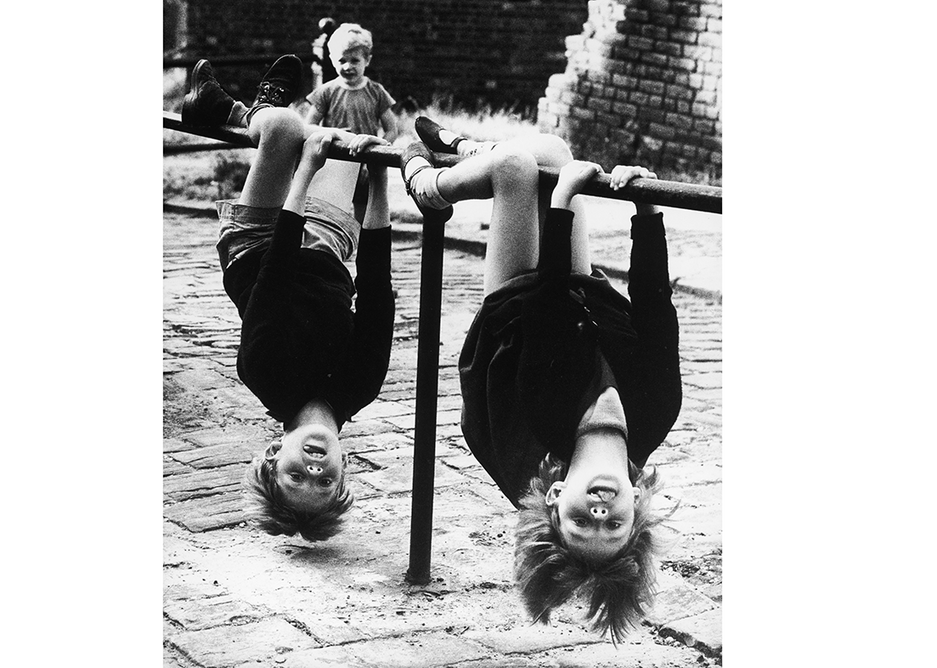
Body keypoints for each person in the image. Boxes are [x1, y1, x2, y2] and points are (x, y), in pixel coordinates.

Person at [402, 118, 682, 643]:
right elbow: (655, 311)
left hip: (515, 313)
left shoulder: (548, 420)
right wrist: (645, 207)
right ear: (636, 508)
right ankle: (467, 147)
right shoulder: (657, 412)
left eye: (582, 525)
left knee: (516, 170)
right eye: (612, 526)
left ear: (555, 497)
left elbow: (546, 311)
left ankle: (427, 185)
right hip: (584, 298)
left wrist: (563, 203)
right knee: (553, 150)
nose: (599, 514)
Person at [181, 56, 396, 542]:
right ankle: (233, 105)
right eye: (326, 481)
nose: (314, 468)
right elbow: (378, 290)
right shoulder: (361, 384)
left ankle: (237, 109)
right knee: (337, 139)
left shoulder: (263, 372)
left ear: (274, 458)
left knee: (284, 129)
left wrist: (305, 173)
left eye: (296, 477)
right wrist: (380, 177)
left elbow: (275, 275)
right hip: (329, 243)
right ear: (345, 471)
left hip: (258, 246)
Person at [304, 23, 398, 222]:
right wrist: (332, 135)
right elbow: (309, 126)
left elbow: (391, 129)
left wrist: (378, 152)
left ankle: (364, 247)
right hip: (336, 161)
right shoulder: (327, 92)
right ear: (332, 60)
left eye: (355, 60)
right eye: (342, 60)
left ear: (367, 60)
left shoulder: (376, 91)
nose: (348, 66)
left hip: (366, 161)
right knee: (333, 210)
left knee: (365, 211)